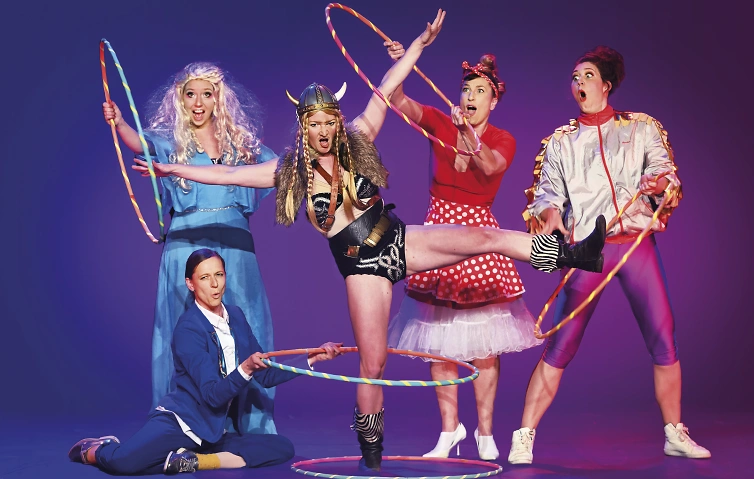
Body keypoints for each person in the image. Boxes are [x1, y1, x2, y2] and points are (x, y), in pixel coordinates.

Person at [134, 10, 606, 470]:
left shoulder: (358, 137)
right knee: (373, 365)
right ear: (304, 127)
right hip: (361, 267)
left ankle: (573, 254)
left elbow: (384, 89)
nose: (323, 131)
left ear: (338, 121)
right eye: (314, 124)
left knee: (485, 236)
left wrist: (419, 45)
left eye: (329, 121)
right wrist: (171, 168)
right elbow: (227, 174)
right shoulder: (289, 170)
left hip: (397, 240)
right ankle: (371, 447)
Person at [508, 45, 710, 465]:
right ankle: (523, 436)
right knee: (561, 344)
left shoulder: (641, 128)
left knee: (664, 337)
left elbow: (665, 171)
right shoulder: (560, 142)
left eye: (587, 75)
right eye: (575, 77)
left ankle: (675, 432)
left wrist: (659, 183)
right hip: (588, 253)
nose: (578, 83)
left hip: (635, 246)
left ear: (606, 84)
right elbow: (547, 194)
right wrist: (550, 215)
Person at [383, 45, 540, 460]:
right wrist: (404, 61)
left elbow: (489, 166)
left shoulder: (502, 138)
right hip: (437, 233)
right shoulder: (440, 121)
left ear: (493, 101)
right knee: (438, 342)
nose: (470, 97)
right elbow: (394, 98)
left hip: (478, 236)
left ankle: (485, 432)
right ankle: (449, 430)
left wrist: (466, 132)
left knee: (484, 346)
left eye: (479, 91)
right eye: (466, 90)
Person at [103, 62, 279, 433]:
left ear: (219, 99)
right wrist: (119, 122)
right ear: (180, 99)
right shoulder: (172, 141)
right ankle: (180, 422)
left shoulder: (241, 143)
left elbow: (282, 169)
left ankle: (251, 423)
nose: (198, 102)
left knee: (246, 321)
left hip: (235, 244)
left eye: (206, 94)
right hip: (187, 242)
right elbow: (139, 143)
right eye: (190, 94)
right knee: (184, 329)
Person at [68, 249, 342, 475]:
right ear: (191, 283)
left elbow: (266, 375)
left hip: (214, 433)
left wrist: (312, 358)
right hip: (182, 423)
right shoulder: (188, 329)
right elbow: (212, 395)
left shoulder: (236, 315)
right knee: (124, 463)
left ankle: (195, 461)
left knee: (281, 447)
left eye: (219, 275)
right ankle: (97, 448)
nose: (214, 285)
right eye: (205, 277)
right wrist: (245, 367)